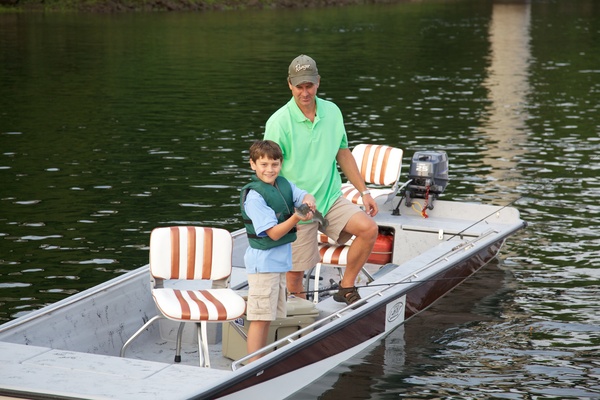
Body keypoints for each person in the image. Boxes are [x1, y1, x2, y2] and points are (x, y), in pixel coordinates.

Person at [264, 54, 378, 305]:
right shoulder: (278, 122)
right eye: (299, 86)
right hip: (296, 207)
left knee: (369, 229)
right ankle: (301, 321)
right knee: (295, 275)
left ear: (318, 82)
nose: (305, 92)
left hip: (330, 199)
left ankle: (346, 287)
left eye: (309, 85)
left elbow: (343, 153)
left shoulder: (333, 111)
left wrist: (364, 192)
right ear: (290, 85)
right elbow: (269, 172)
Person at [240, 140, 316, 362]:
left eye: (274, 164)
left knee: (268, 317)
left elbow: (304, 195)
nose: (270, 169)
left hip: (278, 264)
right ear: (253, 164)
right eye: (263, 164)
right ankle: (253, 365)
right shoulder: (254, 197)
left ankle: (260, 359)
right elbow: (273, 234)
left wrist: (308, 201)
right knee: (259, 319)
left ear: (281, 164)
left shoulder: (284, 184)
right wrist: (297, 217)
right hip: (263, 266)